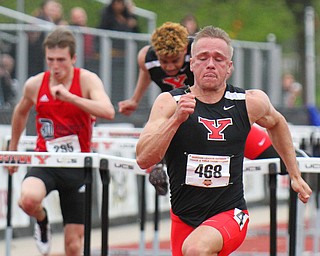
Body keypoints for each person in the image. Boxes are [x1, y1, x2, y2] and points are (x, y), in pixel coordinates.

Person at [136, 26, 312, 256]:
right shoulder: (169, 103)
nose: (210, 64)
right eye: (203, 57)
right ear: (192, 64)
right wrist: (176, 120)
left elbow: (278, 123)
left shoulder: (249, 102)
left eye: (218, 59)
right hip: (184, 217)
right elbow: (143, 158)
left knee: (196, 249)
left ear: (229, 67)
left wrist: (295, 174)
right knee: (193, 248)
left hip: (230, 213)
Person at [7, 27, 115, 256]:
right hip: (47, 161)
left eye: (61, 60)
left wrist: (71, 97)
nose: (56, 66)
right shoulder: (35, 84)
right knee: (27, 200)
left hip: (78, 166)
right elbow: (20, 112)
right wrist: (12, 148)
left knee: (73, 247)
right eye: (50, 60)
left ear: (73, 58)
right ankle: (42, 220)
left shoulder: (86, 80)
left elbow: (108, 110)